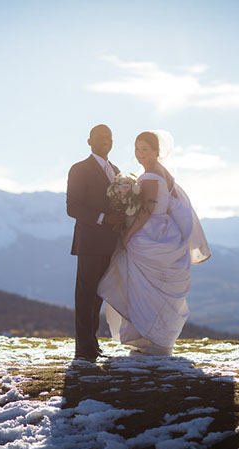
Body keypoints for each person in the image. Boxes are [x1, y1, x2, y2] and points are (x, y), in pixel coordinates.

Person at [97, 131, 210, 356]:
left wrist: (127, 236)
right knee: (151, 291)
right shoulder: (163, 172)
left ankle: (147, 338)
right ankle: (154, 338)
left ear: (156, 151)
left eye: (145, 149)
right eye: (137, 149)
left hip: (148, 235)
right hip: (164, 233)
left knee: (139, 287)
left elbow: (145, 213)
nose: (140, 154)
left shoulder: (149, 176)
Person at [66, 124, 126, 362]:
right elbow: (73, 207)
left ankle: (92, 343)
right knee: (85, 294)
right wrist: (104, 219)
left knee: (98, 295)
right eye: (100, 137)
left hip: (111, 243)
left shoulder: (116, 170)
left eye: (109, 137)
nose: (106, 141)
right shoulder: (79, 169)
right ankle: (83, 348)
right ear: (89, 141)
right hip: (90, 242)